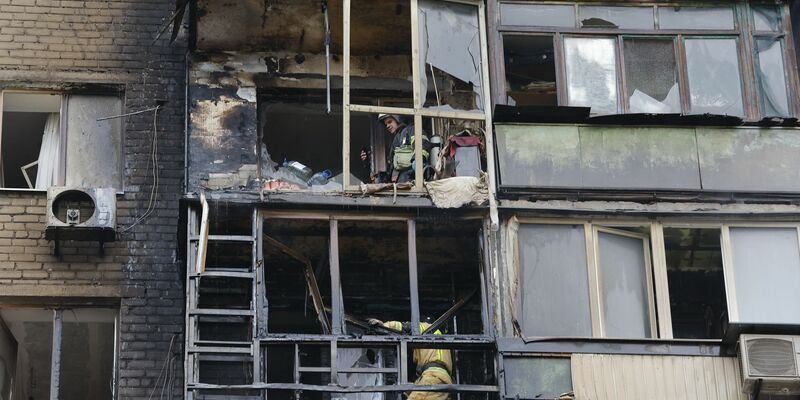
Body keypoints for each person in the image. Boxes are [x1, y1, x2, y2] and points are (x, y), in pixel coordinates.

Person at [367, 318, 453, 400]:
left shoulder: (425, 327)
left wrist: (383, 326)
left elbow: (402, 327)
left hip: (433, 378)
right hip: (443, 381)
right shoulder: (442, 340)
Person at [362, 114, 431, 183]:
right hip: (402, 181)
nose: (387, 126)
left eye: (390, 122)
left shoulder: (411, 130)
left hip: (413, 178)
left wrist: (418, 160)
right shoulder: (395, 140)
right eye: (386, 124)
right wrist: (368, 163)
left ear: (398, 119)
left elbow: (422, 144)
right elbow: (391, 167)